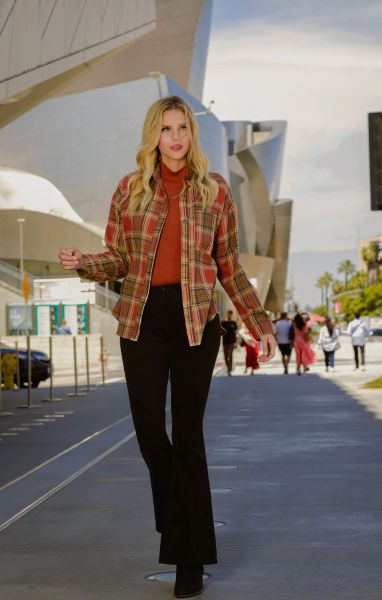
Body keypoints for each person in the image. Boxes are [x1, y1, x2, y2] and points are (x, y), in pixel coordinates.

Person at [58, 95, 277, 599]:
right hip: (142, 321)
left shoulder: (215, 192)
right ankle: (180, 519)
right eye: (166, 129)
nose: (176, 137)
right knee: (151, 433)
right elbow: (118, 258)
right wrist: (83, 262)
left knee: (190, 438)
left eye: (183, 128)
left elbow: (229, 266)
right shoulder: (129, 190)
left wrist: (258, 322)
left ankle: (189, 559)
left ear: (191, 137)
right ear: (153, 136)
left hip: (196, 323)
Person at [220, 309, 238, 376]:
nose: (229, 315)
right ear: (226, 314)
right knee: (225, 356)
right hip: (225, 342)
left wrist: (236, 342)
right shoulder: (223, 323)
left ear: (231, 315)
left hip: (232, 342)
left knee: (230, 355)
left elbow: (235, 333)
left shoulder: (233, 323)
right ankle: (228, 367)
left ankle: (229, 370)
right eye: (228, 314)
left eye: (230, 314)